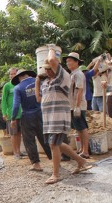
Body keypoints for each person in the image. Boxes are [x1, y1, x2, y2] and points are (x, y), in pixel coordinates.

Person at [35, 48, 93, 185]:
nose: (47, 71)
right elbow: (38, 99)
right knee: (58, 144)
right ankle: (80, 160)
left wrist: (51, 49)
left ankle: (56, 174)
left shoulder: (63, 77)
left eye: (49, 68)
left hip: (58, 118)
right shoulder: (46, 82)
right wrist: (38, 81)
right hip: (49, 120)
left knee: (53, 144)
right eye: (45, 69)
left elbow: (52, 59)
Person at [11, 69, 52, 171]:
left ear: (19, 77)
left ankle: (36, 165)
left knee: (29, 140)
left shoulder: (18, 88)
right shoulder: (38, 81)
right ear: (28, 74)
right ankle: (55, 160)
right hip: (41, 113)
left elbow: (16, 105)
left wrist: (13, 119)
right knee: (44, 137)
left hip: (27, 116)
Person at [64, 52, 90, 159]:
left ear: (76, 62)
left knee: (82, 127)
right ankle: (81, 149)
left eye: (70, 61)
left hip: (78, 105)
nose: (68, 63)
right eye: (67, 61)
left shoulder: (78, 74)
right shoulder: (72, 74)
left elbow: (79, 90)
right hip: (72, 105)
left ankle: (85, 151)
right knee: (78, 128)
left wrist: (77, 106)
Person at [2, 67, 23, 158]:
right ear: (9, 76)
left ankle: (19, 150)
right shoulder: (7, 86)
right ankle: (15, 152)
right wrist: (4, 112)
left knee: (19, 133)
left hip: (21, 113)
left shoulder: (20, 84)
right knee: (13, 134)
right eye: (11, 74)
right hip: (11, 114)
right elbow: (4, 101)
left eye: (14, 74)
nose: (12, 75)